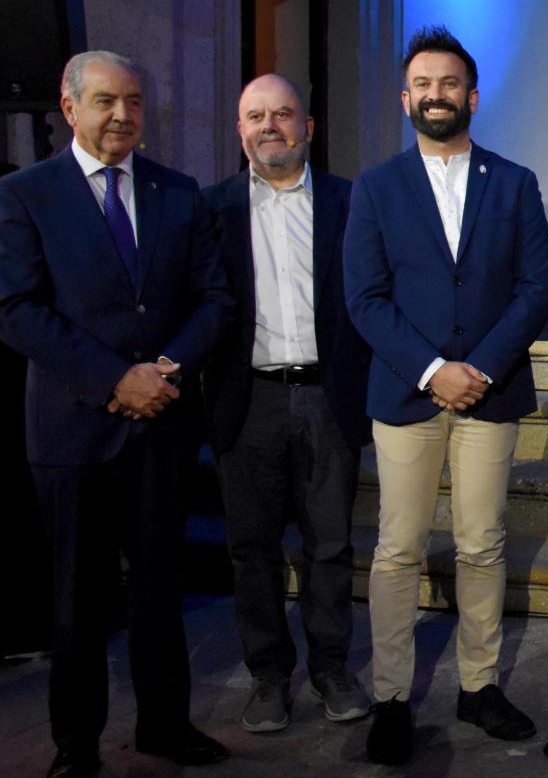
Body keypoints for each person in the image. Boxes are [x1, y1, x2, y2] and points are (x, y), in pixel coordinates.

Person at [0, 51, 234, 778]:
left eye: (132, 102)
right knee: (76, 600)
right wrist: (112, 379)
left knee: (160, 588)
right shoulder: (22, 194)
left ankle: (165, 726)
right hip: (72, 430)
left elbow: (214, 300)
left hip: (160, 422)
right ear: (69, 108)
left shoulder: (178, 193)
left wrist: (161, 372)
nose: (120, 115)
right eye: (103, 101)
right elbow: (14, 310)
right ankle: (76, 744)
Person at [343, 26, 548, 765]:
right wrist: (434, 370)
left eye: (450, 83)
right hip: (405, 392)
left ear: (472, 94)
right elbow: (364, 298)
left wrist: (482, 368)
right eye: (424, 84)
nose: (438, 95)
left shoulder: (516, 182)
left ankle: (479, 685)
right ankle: (392, 697)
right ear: (407, 99)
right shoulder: (375, 188)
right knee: (397, 550)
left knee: (482, 542)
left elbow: (536, 287)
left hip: (489, 395)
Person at [201, 74, 373, 733]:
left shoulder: (348, 202)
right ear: (239, 130)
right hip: (249, 400)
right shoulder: (210, 209)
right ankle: (268, 678)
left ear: (308, 126)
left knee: (329, 544)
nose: (269, 125)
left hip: (328, 395)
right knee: (253, 548)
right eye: (255, 116)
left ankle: (331, 668)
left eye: (283, 114)